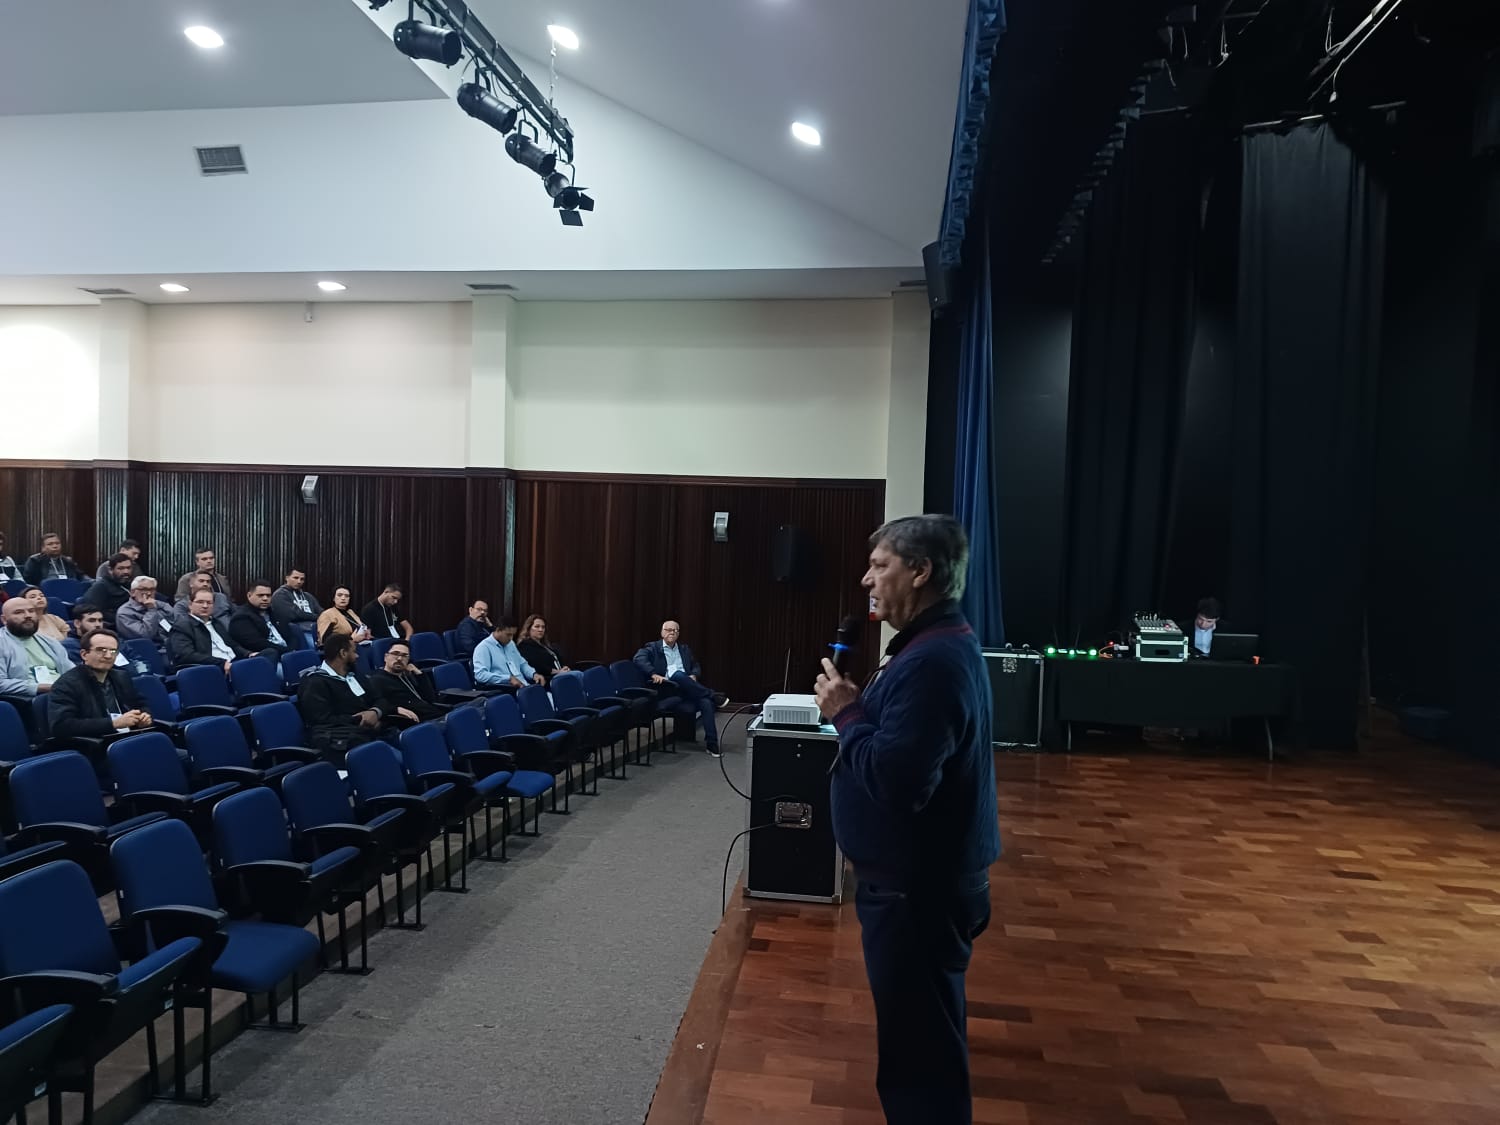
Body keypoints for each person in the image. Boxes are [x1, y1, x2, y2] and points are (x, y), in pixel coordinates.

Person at [812, 514, 999, 1125]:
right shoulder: (934, 643)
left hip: (916, 893)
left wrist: (846, 713)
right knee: (922, 1047)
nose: (867, 579)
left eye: (880, 565)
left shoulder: (932, 660)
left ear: (920, 571)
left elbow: (898, 784)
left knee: (920, 1064)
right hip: (918, 885)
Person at [296, 633, 412, 765]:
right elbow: (321, 720)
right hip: (346, 742)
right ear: (343, 653)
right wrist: (362, 719)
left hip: (375, 733)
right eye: (354, 651)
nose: (357, 656)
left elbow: (380, 700)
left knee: (415, 750)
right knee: (403, 763)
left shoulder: (354, 675)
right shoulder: (314, 682)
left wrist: (375, 712)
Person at [633, 620, 726, 757]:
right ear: (662, 632)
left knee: (705, 702)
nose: (672, 633)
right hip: (667, 689)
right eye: (668, 630)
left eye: (675, 630)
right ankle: (713, 695)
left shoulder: (684, 649)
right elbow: (638, 659)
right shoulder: (652, 648)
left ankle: (712, 744)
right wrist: (653, 673)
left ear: (678, 634)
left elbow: (695, 665)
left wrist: (694, 674)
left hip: (687, 688)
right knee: (677, 675)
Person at [48, 630, 153, 740]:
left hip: (128, 736)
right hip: (95, 744)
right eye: (101, 650)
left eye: (113, 651)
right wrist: (112, 724)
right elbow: (61, 726)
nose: (108, 656)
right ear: (84, 654)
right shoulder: (66, 684)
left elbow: (140, 704)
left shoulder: (122, 677)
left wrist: (144, 716)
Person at [0, 595, 70, 737]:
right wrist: (41, 687)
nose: (28, 615)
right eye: (19, 612)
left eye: (31, 611)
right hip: (30, 700)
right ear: (4, 620)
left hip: (62, 693)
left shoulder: (50, 642)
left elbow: (71, 671)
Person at [366, 638, 447, 723]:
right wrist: (395, 709)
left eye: (404, 656)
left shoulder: (407, 676)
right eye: (395, 654)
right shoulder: (377, 680)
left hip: (436, 715)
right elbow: (376, 704)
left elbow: (430, 698)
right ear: (386, 657)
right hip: (418, 722)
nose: (399, 658)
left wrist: (419, 674)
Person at [169, 588, 250, 673]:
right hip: (211, 669)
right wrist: (221, 663)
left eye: (209, 603)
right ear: (190, 605)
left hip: (233, 663)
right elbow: (186, 655)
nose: (205, 606)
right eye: (200, 602)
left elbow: (232, 645)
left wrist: (248, 654)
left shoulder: (216, 623)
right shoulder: (182, 626)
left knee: (257, 660)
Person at [230, 579, 293, 663]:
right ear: (249, 595)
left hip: (287, 655)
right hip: (265, 660)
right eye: (260, 595)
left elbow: (291, 635)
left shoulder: (275, 613)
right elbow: (258, 644)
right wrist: (288, 651)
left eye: (268, 595)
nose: (265, 598)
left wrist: (293, 650)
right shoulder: (240, 618)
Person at [473, 618, 545, 689]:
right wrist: (507, 679)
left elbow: (522, 664)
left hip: (524, 686)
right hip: (505, 689)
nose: (511, 638)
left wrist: (533, 674)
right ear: (498, 630)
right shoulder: (484, 647)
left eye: (513, 635)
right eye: (508, 635)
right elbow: (480, 675)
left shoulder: (510, 644)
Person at [79, 553, 134, 627]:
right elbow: (92, 611)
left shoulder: (133, 585)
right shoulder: (100, 587)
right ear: (110, 570)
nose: (126, 572)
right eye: (121, 568)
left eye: (128, 568)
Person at [272, 568, 323, 644]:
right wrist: (316, 616)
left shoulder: (308, 596)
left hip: (317, 629)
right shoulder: (280, 595)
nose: (299, 581)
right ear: (287, 578)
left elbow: (321, 612)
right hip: (296, 633)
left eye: (302, 579)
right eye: (295, 578)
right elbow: (294, 615)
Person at [116, 576, 171, 645]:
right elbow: (145, 636)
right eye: (144, 589)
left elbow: (175, 622)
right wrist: (151, 610)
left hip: (168, 645)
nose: (149, 593)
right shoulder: (124, 612)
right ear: (133, 592)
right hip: (144, 648)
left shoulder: (160, 605)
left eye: (152, 589)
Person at [518, 614, 571, 682]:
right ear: (529, 629)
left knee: (578, 674)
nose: (541, 630)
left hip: (560, 676)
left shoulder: (547, 645)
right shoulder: (524, 646)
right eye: (537, 626)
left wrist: (565, 667)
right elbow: (536, 666)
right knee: (577, 675)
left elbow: (558, 660)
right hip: (547, 679)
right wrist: (558, 672)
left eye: (543, 627)